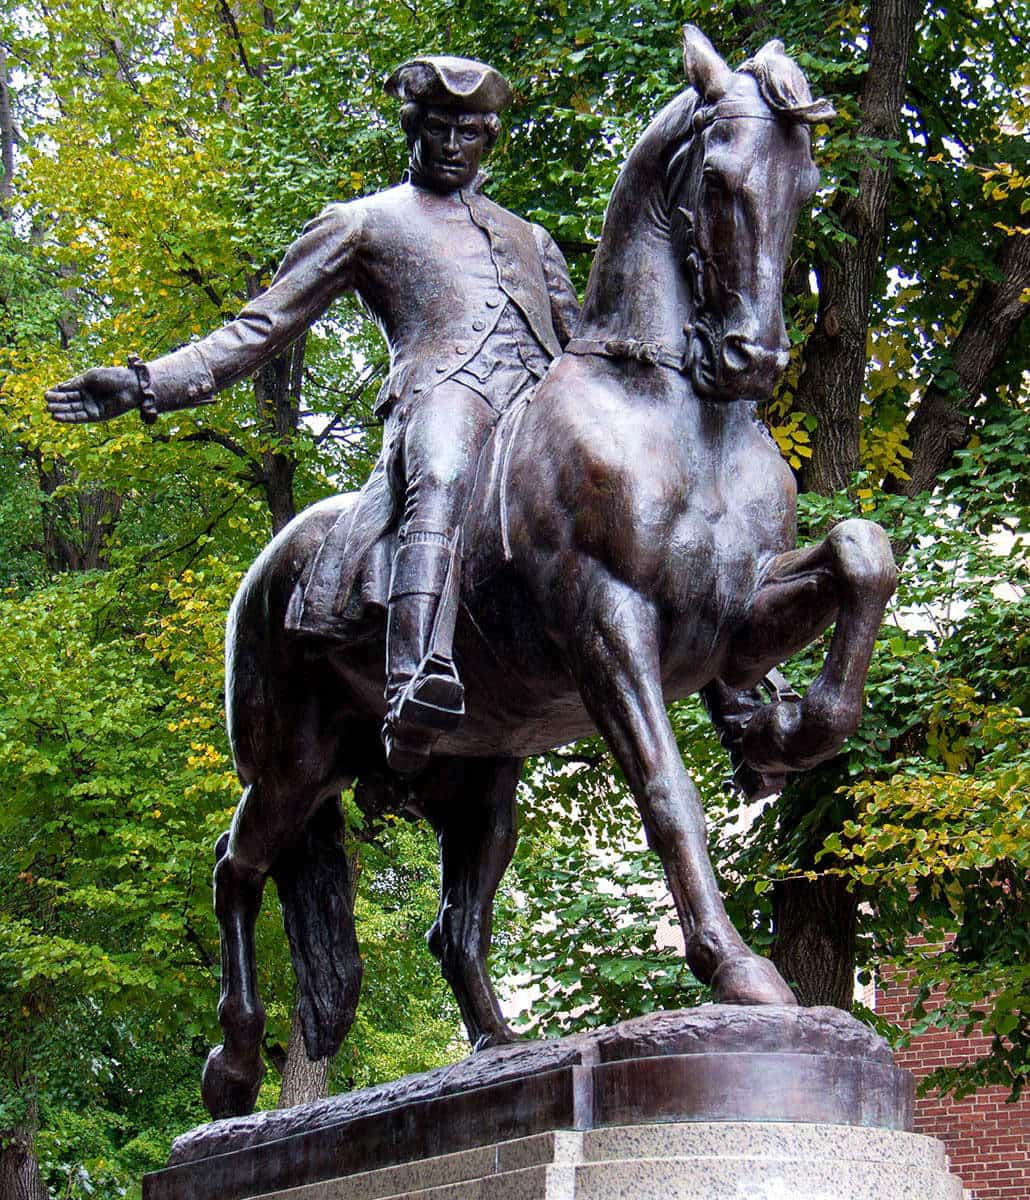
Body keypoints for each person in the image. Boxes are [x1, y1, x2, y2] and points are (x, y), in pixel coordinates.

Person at [46, 56, 579, 773]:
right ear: (412, 130)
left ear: (490, 138)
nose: (454, 145)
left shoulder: (532, 239)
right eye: (438, 129)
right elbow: (258, 329)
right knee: (444, 471)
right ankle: (415, 675)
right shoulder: (364, 224)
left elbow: (581, 348)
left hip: (542, 411)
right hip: (446, 395)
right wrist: (150, 383)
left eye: (470, 131)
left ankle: (735, 687)